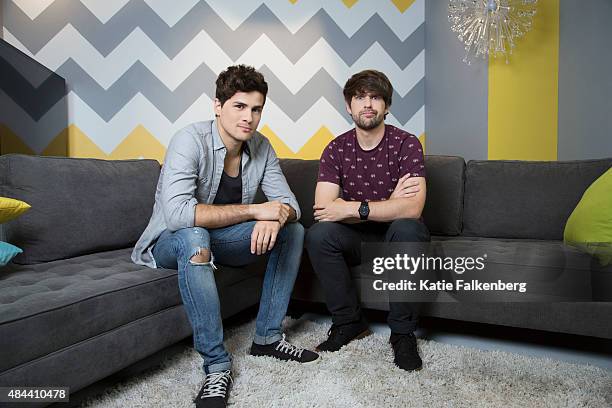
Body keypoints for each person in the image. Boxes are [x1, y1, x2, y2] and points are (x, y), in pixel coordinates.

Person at [132, 65, 319, 408]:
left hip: (221, 239)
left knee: (294, 230)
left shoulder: (261, 147)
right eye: (239, 106)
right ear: (218, 105)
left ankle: (267, 337)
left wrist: (276, 219)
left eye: (256, 109)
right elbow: (178, 215)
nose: (248, 117)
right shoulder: (189, 140)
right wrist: (256, 211)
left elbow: (291, 205)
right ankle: (217, 365)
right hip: (171, 242)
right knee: (194, 235)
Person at [304, 69, 429, 371]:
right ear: (349, 106)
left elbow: (412, 209)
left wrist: (351, 208)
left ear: (386, 106)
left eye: (375, 97)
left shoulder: (406, 144)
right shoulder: (336, 149)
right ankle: (349, 322)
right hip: (357, 240)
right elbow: (323, 210)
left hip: (397, 237)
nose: (368, 104)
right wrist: (388, 204)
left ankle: (402, 334)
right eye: (360, 97)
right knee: (318, 235)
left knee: (408, 228)